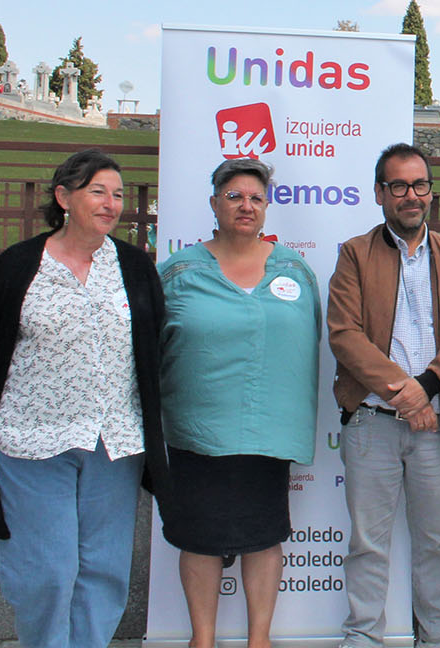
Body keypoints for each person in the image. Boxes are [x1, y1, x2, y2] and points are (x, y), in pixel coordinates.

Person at [0, 148, 171, 648]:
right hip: (31, 440)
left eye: (117, 194)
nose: (111, 203)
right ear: (63, 197)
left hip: (113, 443)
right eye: (98, 191)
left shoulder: (134, 267)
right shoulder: (18, 266)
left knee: (102, 570)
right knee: (45, 571)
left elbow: (153, 343)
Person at [329, 143, 440, 648]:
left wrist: (427, 389)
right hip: (374, 423)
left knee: (434, 542)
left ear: (430, 192)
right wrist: (406, 394)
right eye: (398, 186)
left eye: (419, 185)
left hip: (435, 423)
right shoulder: (355, 253)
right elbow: (344, 335)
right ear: (380, 193)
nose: (410, 195)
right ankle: (362, 636)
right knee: (367, 544)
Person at [157, 158, 321, 648]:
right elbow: (149, 344)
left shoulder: (293, 269)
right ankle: (201, 640)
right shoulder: (180, 271)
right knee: (198, 537)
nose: (245, 206)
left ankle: (259, 640)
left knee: (264, 535)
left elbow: (309, 342)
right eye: (234, 196)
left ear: (267, 207)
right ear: (214, 204)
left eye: (255, 198)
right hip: (197, 432)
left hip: (267, 432)